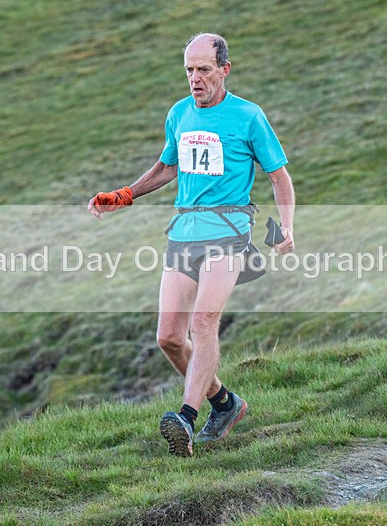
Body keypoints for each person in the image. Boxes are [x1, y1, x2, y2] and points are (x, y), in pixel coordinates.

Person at [88, 33, 295, 457]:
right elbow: (167, 167)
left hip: (230, 231)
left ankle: (185, 415)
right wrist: (123, 195)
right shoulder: (179, 114)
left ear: (224, 70)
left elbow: (279, 177)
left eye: (203, 69)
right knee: (168, 337)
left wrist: (286, 228)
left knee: (202, 324)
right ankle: (225, 404)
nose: (195, 78)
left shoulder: (248, 116)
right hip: (183, 232)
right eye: (188, 70)